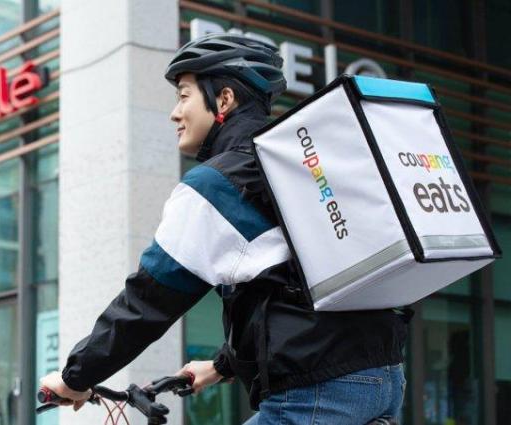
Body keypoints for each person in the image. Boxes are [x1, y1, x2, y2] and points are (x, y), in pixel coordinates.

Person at [40, 33, 409, 424]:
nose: (174, 113)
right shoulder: (296, 164)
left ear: (224, 99)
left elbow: (148, 300)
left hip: (315, 391)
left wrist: (74, 377)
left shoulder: (218, 184)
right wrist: (221, 365)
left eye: (184, 96)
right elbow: (288, 282)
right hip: (381, 377)